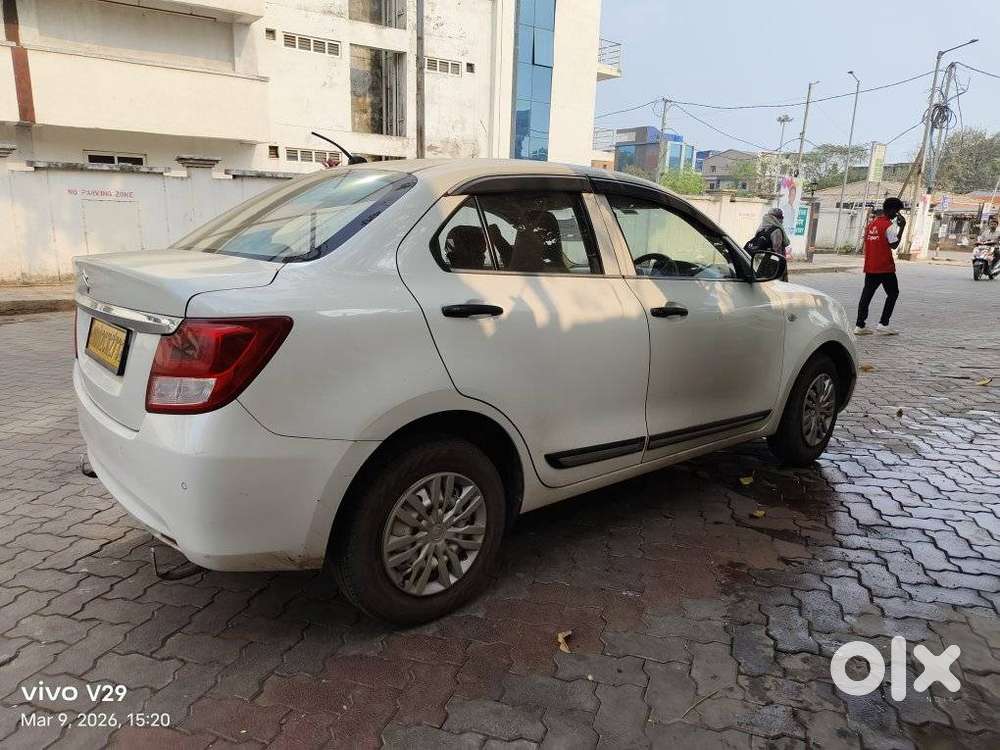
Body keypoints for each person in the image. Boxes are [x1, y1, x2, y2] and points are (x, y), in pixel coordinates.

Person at [855, 197, 906, 336]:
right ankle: (883, 324)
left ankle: (860, 325)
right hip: (885, 267)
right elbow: (894, 245)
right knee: (893, 293)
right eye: (897, 212)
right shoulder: (888, 226)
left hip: (871, 265)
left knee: (866, 295)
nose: (897, 215)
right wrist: (902, 227)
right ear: (892, 210)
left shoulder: (872, 224)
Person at [747, 208, 791, 280]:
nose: (782, 220)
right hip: (772, 263)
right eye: (781, 217)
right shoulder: (777, 230)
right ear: (776, 218)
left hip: (761, 261)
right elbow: (778, 251)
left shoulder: (761, 228)